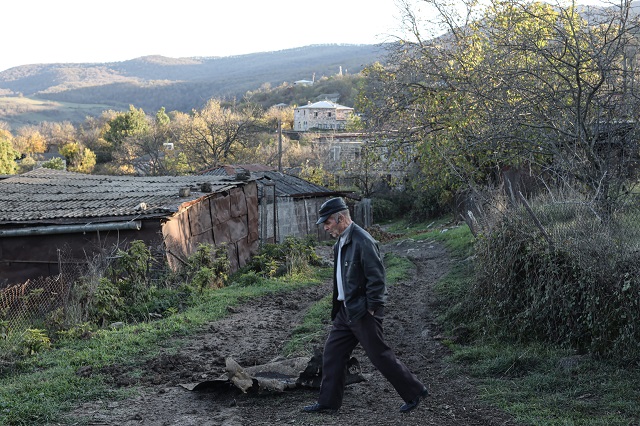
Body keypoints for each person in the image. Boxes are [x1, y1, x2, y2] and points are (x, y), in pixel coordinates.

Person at [302, 197, 429, 414]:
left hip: (362, 312)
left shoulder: (363, 240)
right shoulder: (340, 242)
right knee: (332, 354)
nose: (325, 227)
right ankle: (328, 403)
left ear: (340, 218)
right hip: (345, 311)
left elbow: (377, 278)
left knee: (379, 355)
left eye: (327, 222)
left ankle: (415, 391)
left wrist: (371, 308)